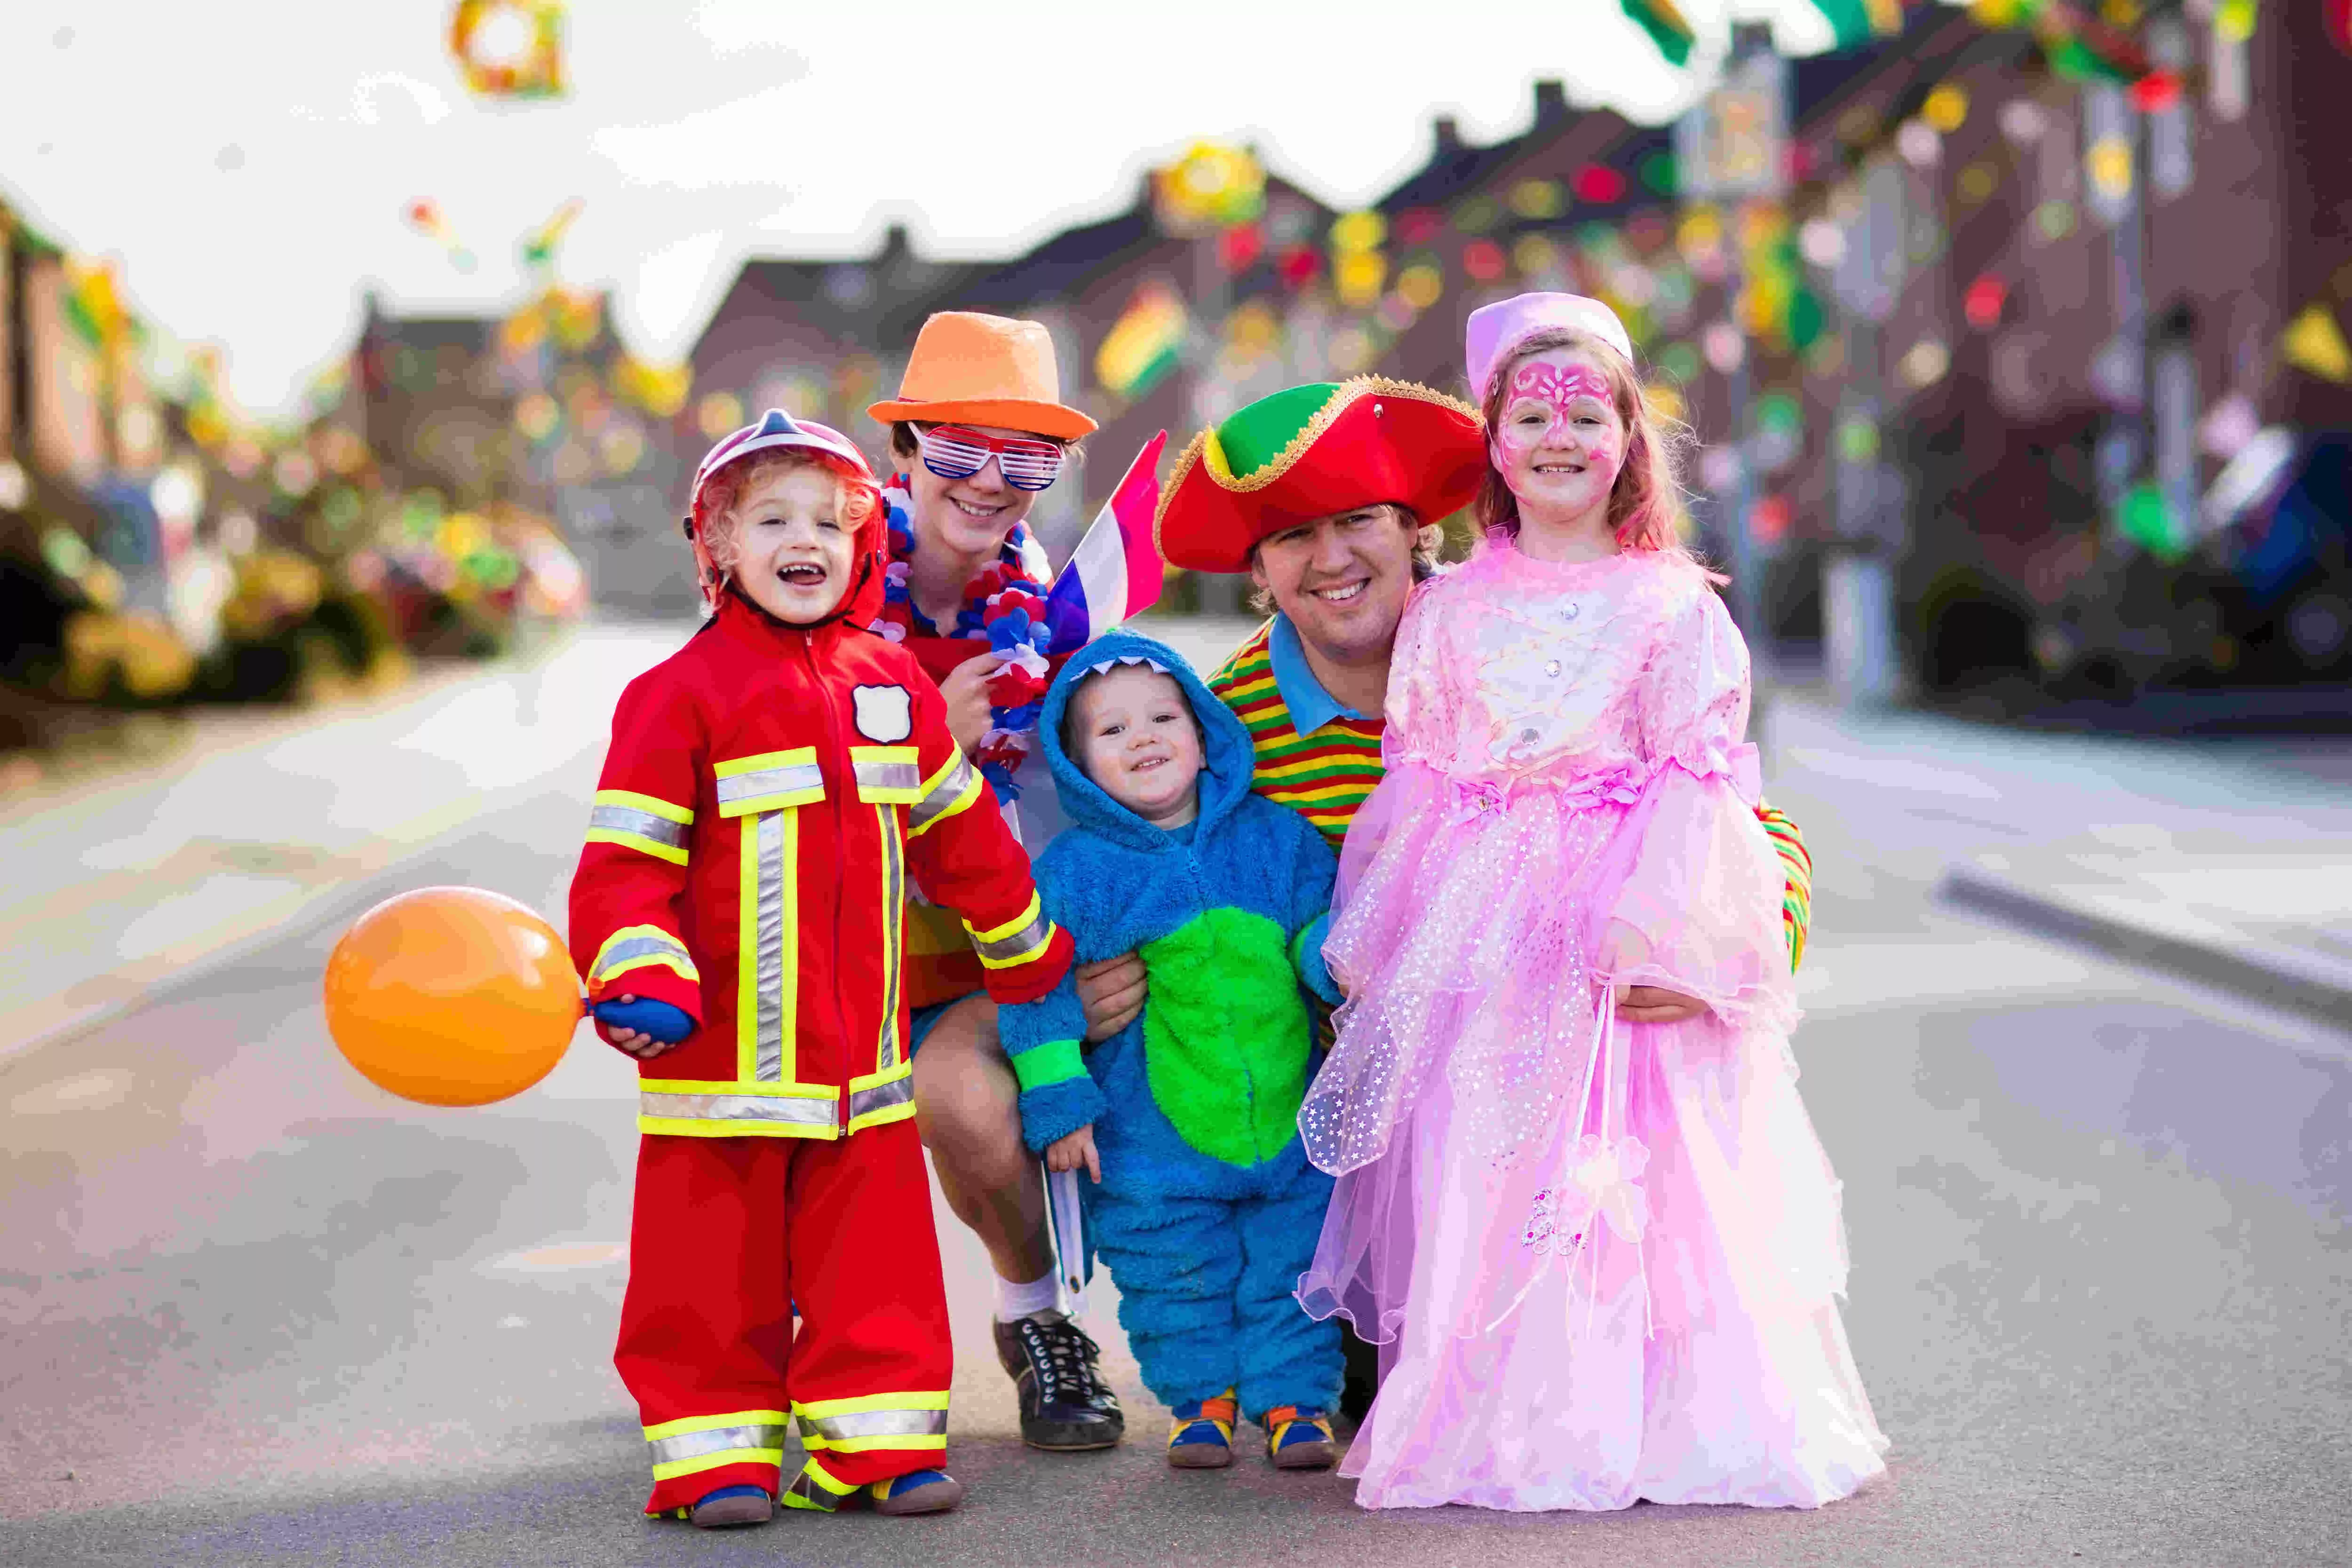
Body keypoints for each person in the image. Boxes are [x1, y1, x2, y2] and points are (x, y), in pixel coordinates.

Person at [1294, 293, 1889, 1510]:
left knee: (1636, 1171)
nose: (1558, 435)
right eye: (1531, 414)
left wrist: (1669, 935)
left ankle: (1651, 1409)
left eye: (1586, 414)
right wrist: (1389, 936)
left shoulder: (1673, 605)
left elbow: (1700, 784)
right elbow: (1422, 778)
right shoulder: (1447, 611)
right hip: (1486, 940)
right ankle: (1504, 1414)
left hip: (1617, 931)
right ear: (1494, 444)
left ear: (1628, 442)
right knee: (1488, 1161)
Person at [1144, 374, 1822, 1420]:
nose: (1331, 558)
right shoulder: (1222, 732)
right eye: (1292, 535)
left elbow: (1731, 811)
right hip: (1341, 1114)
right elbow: (1176, 897)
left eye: (1358, 520)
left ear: (1413, 528)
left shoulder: (1520, 624)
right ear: (1257, 569)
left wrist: (1730, 944)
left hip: (1556, 1074)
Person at [568, 409, 1073, 1527]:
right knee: (707, 1276)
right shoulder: (674, 695)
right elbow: (624, 867)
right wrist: (637, 974)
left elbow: (964, 839)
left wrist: (1027, 946)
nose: (804, 540)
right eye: (771, 521)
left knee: (876, 1272)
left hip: (864, 1074)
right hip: (718, 1074)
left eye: (829, 523)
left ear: (860, 546)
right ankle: (713, 1457)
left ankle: (877, 1444)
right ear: (719, 549)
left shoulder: (891, 686)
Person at [859, 310, 1137, 1453]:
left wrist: (1108, 955)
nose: (988, 482)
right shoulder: (812, 585)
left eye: (1026, 458)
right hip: (834, 952)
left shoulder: (1054, 623)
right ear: (905, 449)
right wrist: (926, 737)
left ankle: (1037, 1319)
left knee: (965, 1104)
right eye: (961, 448)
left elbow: (1101, 798)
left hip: (992, 951)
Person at [997, 631, 1348, 1472]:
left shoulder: (1277, 839)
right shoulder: (1076, 873)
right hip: (1148, 1139)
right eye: (1112, 730)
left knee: (1294, 1254)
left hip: (1289, 1120)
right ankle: (1201, 1401)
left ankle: (1295, 1401)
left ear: (1204, 732)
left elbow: (1316, 928)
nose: (1143, 738)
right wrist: (1059, 1102)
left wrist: (1341, 963)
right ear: (1077, 762)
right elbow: (1035, 990)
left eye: (1163, 718)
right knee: (1170, 1266)